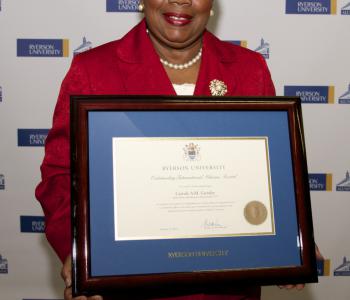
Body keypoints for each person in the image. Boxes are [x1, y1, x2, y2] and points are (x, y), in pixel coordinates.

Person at [36, 1, 307, 299]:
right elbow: (59, 175)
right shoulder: (92, 70)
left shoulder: (250, 68)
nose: (181, 0)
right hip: (129, 284)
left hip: (228, 290)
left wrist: (292, 238)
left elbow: (270, 172)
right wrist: (78, 249)